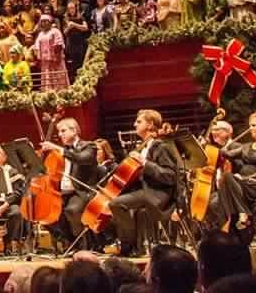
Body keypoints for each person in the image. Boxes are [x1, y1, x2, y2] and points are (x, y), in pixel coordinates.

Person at [107, 110, 181, 256]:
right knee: (112, 202)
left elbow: (170, 176)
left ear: (151, 124)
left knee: (116, 204)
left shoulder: (162, 146)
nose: (134, 124)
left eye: (139, 121)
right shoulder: (143, 146)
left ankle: (130, 246)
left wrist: (144, 163)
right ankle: (134, 246)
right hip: (144, 191)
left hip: (158, 194)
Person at [38, 117, 99, 250]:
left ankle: (87, 245)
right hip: (62, 192)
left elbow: (82, 159)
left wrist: (57, 148)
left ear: (74, 130)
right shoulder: (60, 151)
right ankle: (71, 242)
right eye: (59, 132)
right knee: (45, 214)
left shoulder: (89, 146)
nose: (60, 134)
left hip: (81, 192)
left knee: (72, 210)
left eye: (63, 131)